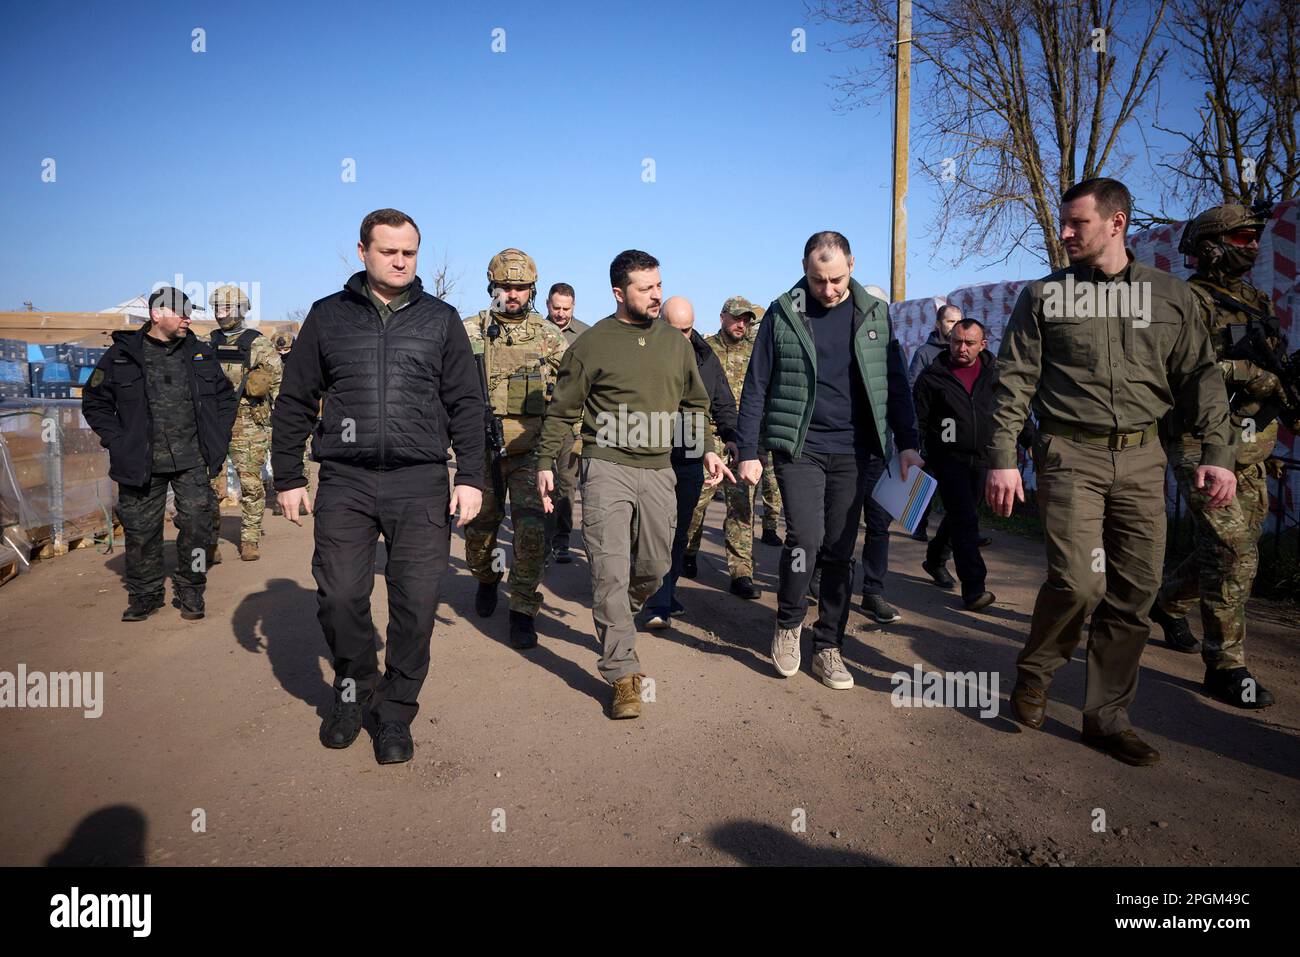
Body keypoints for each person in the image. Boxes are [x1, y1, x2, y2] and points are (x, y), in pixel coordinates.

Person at [987, 178, 1236, 766]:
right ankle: (1038, 672)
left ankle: (1105, 718)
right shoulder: (1045, 296)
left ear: (1117, 223)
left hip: (1145, 459)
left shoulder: (1172, 297)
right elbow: (1012, 382)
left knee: (1135, 591)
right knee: (1079, 582)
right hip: (1071, 455)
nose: (1065, 233)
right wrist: (1002, 459)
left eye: (1077, 224)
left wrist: (1219, 454)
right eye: (1063, 223)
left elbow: (1200, 378)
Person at [271, 208, 485, 766]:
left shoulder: (442, 319)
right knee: (341, 595)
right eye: (388, 250)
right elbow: (294, 399)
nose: (399, 260)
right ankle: (354, 689)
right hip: (346, 479)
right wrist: (290, 476)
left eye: (409, 252)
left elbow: (467, 403)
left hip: (419, 482)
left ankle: (394, 712)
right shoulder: (328, 316)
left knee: (415, 603)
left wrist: (471, 477)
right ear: (362, 251)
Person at [536, 250, 730, 719]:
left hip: (660, 466)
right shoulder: (591, 344)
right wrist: (544, 461)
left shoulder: (676, 343)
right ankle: (623, 673)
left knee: (656, 565)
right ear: (619, 293)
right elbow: (562, 409)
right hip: (606, 467)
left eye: (659, 285)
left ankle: (620, 610)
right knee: (609, 569)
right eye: (646, 288)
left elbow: (692, 403)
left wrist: (705, 445)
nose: (656, 294)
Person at [735, 231, 922, 691]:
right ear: (804, 268)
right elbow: (757, 384)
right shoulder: (783, 312)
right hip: (799, 446)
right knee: (806, 536)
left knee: (840, 546)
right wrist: (749, 451)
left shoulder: (876, 314)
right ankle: (788, 622)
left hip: (855, 450)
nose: (829, 290)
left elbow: (894, 382)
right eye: (818, 280)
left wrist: (911, 441)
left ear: (852, 265)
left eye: (836, 279)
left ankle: (829, 647)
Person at [1151, 203, 1300, 709]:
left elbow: (1272, 365)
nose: (1253, 246)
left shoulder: (1256, 299)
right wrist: (1255, 376)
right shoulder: (1185, 299)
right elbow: (1181, 370)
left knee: (1230, 547)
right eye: (1241, 239)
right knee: (1235, 550)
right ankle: (1225, 665)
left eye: (1256, 238)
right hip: (1198, 442)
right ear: (1212, 245)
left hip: (1253, 443)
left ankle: (1168, 600)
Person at [82, 286, 236, 622]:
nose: (187, 318)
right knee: (140, 531)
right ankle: (145, 594)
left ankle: (191, 588)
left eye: (188, 312)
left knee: (197, 525)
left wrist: (219, 438)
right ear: (156, 315)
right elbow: (95, 402)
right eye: (180, 312)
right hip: (140, 460)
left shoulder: (199, 353)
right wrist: (117, 441)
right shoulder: (122, 355)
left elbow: (226, 398)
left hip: (192, 458)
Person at [462, 249, 567, 649]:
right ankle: (486, 577)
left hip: (531, 453)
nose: (513, 294)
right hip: (480, 451)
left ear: (532, 290)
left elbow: (573, 388)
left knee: (531, 533)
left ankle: (523, 608)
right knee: (479, 532)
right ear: (493, 287)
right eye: (506, 286)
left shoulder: (547, 336)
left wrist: (567, 439)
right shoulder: (469, 331)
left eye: (521, 287)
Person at [913, 318, 1032, 609]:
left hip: (987, 458)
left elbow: (1013, 411)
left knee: (962, 516)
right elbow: (920, 421)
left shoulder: (997, 374)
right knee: (966, 520)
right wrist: (921, 452)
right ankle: (974, 588)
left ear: (983, 344)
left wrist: (1031, 441)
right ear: (949, 341)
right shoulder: (932, 377)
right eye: (956, 341)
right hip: (949, 459)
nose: (961, 348)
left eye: (968, 343)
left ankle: (935, 558)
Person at [642, 296, 739, 629]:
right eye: (676, 330)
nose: (683, 337)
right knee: (652, 531)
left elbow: (721, 402)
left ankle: (663, 595)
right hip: (649, 456)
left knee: (679, 532)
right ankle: (655, 598)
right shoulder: (642, 349)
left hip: (689, 456)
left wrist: (731, 436)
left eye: (688, 329)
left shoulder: (704, 355)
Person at [681, 296, 777, 599]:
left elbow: (764, 401)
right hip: (706, 438)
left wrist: (758, 447)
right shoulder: (704, 349)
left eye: (746, 319)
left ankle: (741, 572)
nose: (741, 324)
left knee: (742, 508)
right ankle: (686, 551)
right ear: (722, 317)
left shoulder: (755, 354)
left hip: (742, 441)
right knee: (696, 503)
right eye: (736, 318)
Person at [206, 285, 282, 562]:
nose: (220, 314)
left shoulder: (258, 343)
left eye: (225, 308)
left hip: (248, 422)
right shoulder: (207, 342)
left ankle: (250, 539)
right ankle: (209, 542)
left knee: (250, 485)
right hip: (213, 423)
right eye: (216, 308)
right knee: (208, 487)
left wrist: (281, 427)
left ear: (239, 309)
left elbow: (277, 385)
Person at [907, 302, 962, 544]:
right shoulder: (925, 353)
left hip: (958, 429)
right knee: (926, 478)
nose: (954, 326)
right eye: (950, 321)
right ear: (938, 324)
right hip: (931, 429)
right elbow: (912, 388)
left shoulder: (962, 353)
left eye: (958, 321)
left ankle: (960, 527)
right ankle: (919, 522)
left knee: (957, 481)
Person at [542, 282, 589, 563]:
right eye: (556, 307)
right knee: (540, 480)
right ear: (548, 304)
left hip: (571, 422)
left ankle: (560, 540)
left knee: (566, 484)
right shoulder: (535, 330)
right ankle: (540, 539)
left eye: (566, 309)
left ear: (574, 306)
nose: (560, 314)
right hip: (536, 419)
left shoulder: (586, 335)